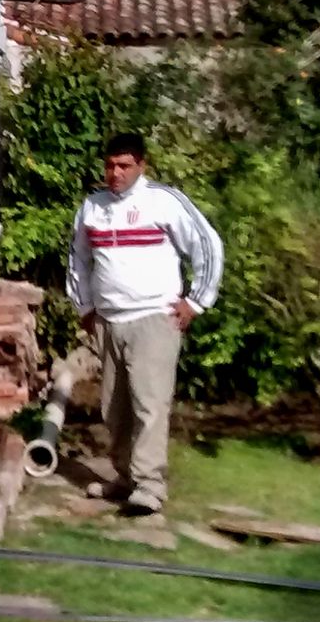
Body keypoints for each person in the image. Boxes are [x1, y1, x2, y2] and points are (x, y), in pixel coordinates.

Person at [66, 131, 223, 515]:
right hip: (109, 321)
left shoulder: (163, 202)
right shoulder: (93, 207)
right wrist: (84, 306)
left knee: (149, 404)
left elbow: (207, 245)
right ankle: (125, 478)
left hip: (154, 318)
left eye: (124, 165)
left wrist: (197, 301)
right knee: (114, 407)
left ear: (141, 165)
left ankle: (150, 486)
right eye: (110, 165)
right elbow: (78, 260)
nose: (115, 173)